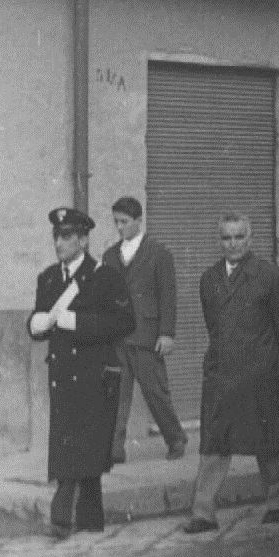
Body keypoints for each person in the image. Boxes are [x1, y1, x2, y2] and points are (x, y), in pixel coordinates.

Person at [181, 213, 279, 534]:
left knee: (269, 440)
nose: (232, 244)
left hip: (261, 374)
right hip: (223, 374)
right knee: (214, 443)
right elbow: (215, 327)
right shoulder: (209, 279)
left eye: (238, 237)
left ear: (250, 239)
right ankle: (203, 511)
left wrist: (275, 368)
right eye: (226, 238)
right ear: (219, 240)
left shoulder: (272, 278)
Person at [29, 208, 136, 539]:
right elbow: (39, 318)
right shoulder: (48, 278)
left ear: (84, 240)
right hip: (62, 377)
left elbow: (124, 322)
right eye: (56, 237)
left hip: (94, 377)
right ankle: (91, 525)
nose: (59, 243)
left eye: (67, 237)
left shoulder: (104, 276)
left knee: (84, 451)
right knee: (76, 450)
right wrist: (35, 324)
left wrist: (77, 323)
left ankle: (62, 520)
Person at [103, 196, 187, 464]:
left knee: (156, 393)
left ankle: (176, 438)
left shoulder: (159, 253)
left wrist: (167, 333)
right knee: (117, 396)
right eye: (116, 222)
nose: (119, 227)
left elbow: (168, 295)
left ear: (139, 221)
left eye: (125, 222)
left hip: (148, 337)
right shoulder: (110, 255)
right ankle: (115, 449)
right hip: (118, 338)